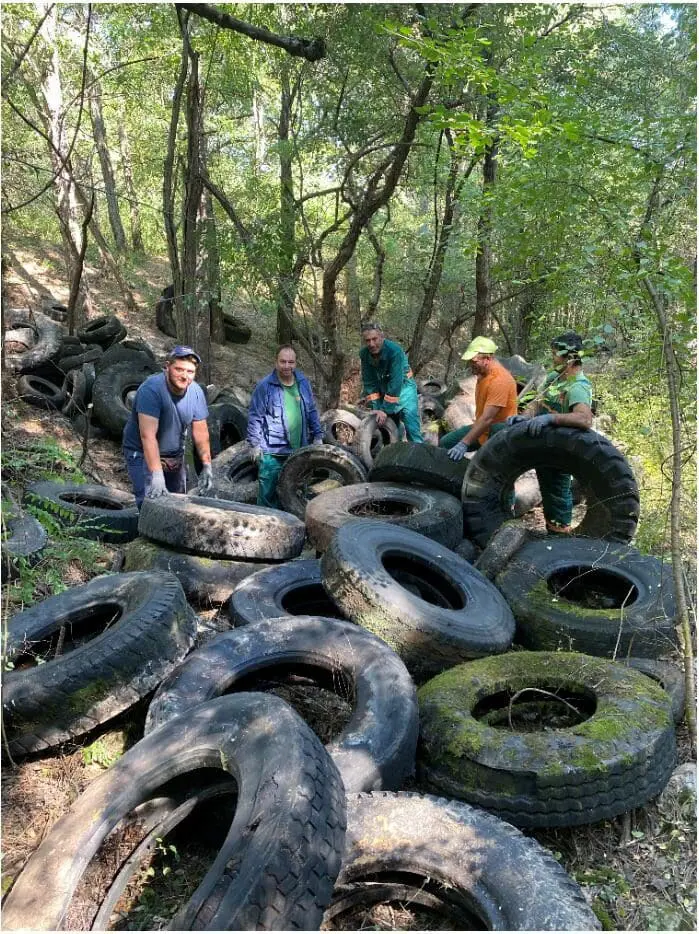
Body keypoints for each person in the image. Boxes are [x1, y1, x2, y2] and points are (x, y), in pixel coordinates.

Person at [509, 330, 593, 534]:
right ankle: (550, 527)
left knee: (557, 490)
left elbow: (584, 419)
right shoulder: (555, 378)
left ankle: (559, 536)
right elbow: (540, 401)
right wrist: (526, 416)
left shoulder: (578, 387)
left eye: (556, 354)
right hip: (544, 444)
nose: (553, 357)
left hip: (563, 449)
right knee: (547, 487)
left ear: (570, 358)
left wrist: (550, 418)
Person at [122, 345, 212, 507]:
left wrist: (207, 465)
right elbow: (147, 436)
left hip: (173, 454)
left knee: (177, 505)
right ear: (167, 367)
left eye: (190, 372)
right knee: (150, 503)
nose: (185, 376)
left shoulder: (196, 392)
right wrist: (156, 474)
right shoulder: (151, 390)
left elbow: (201, 433)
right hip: (141, 452)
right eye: (179, 369)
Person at [247, 344, 323, 508]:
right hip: (272, 453)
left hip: (299, 451)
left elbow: (311, 410)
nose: (287, 366)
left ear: (295, 363)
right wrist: (254, 444)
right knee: (268, 495)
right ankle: (267, 527)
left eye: (291, 362)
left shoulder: (303, 382)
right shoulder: (265, 386)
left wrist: (318, 436)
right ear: (276, 362)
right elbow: (255, 416)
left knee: (296, 494)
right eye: (283, 362)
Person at [439, 336, 517, 460]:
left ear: (487, 358)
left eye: (474, 361)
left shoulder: (500, 381)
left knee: (483, 467)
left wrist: (464, 443)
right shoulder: (483, 375)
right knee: (446, 443)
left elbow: (487, 419)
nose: (471, 364)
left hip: (499, 432)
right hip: (483, 428)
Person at [359, 322, 423, 443]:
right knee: (390, 430)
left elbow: (396, 383)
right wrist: (377, 408)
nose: (371, 344)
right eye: (367, 340)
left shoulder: (395, 351)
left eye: (374, 339)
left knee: (413, 431)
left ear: (382, 337)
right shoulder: (364, 354)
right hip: (385, 392)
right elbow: (369, 382)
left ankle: (420, 457)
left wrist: (384, 409)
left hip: (405, 391)